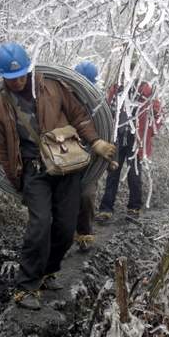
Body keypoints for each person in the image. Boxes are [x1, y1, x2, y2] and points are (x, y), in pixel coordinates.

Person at [0, 43, 115, 310]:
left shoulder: (53, 87)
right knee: (40, 225)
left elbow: (80, 117)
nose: (18, 81)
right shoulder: (0, 106)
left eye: (22, 75)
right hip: (35, 172)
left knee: (66, 227)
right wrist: (17, 181)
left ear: (29, 69)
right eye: (12, 78)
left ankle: (47, 272)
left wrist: (95, 143)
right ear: (3, 77)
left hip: (67, 167)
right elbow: (1, 149)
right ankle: (26, 287)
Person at [96, 79, 162, 221]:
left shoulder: (147, 90)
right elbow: (107, 109)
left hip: (136, 140)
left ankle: (133, 208)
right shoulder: (116, 88)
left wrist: (148, 133)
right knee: (112, 173)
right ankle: (106, 209)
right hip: (117, 137)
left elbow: (159, 115)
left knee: (134, 175)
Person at [73, 61, 100, 251]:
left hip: (91, 158)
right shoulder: (62, 98)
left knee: (86, 195)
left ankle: (84, 234)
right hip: (65, 156)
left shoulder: (99, 104)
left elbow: (107, 131)